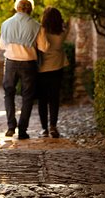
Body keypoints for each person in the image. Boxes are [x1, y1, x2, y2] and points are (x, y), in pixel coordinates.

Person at [0, 0, 41, 139]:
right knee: (27, 97)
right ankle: (22, 131)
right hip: (29, 63)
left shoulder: (6, 24)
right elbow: (44, 47)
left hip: (11, 62)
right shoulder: (36, 25)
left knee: (8, 94)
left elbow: (2, 45)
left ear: (17, 8)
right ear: (30, 9)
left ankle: (11, 127)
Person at [36, 7, 70, 138]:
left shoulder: (41, 31)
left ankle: (44, 128)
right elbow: (66, 26)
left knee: (42, 99)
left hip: (42, 68)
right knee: (54, 98)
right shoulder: (62, 33)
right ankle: (53, 127)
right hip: (57, 67)